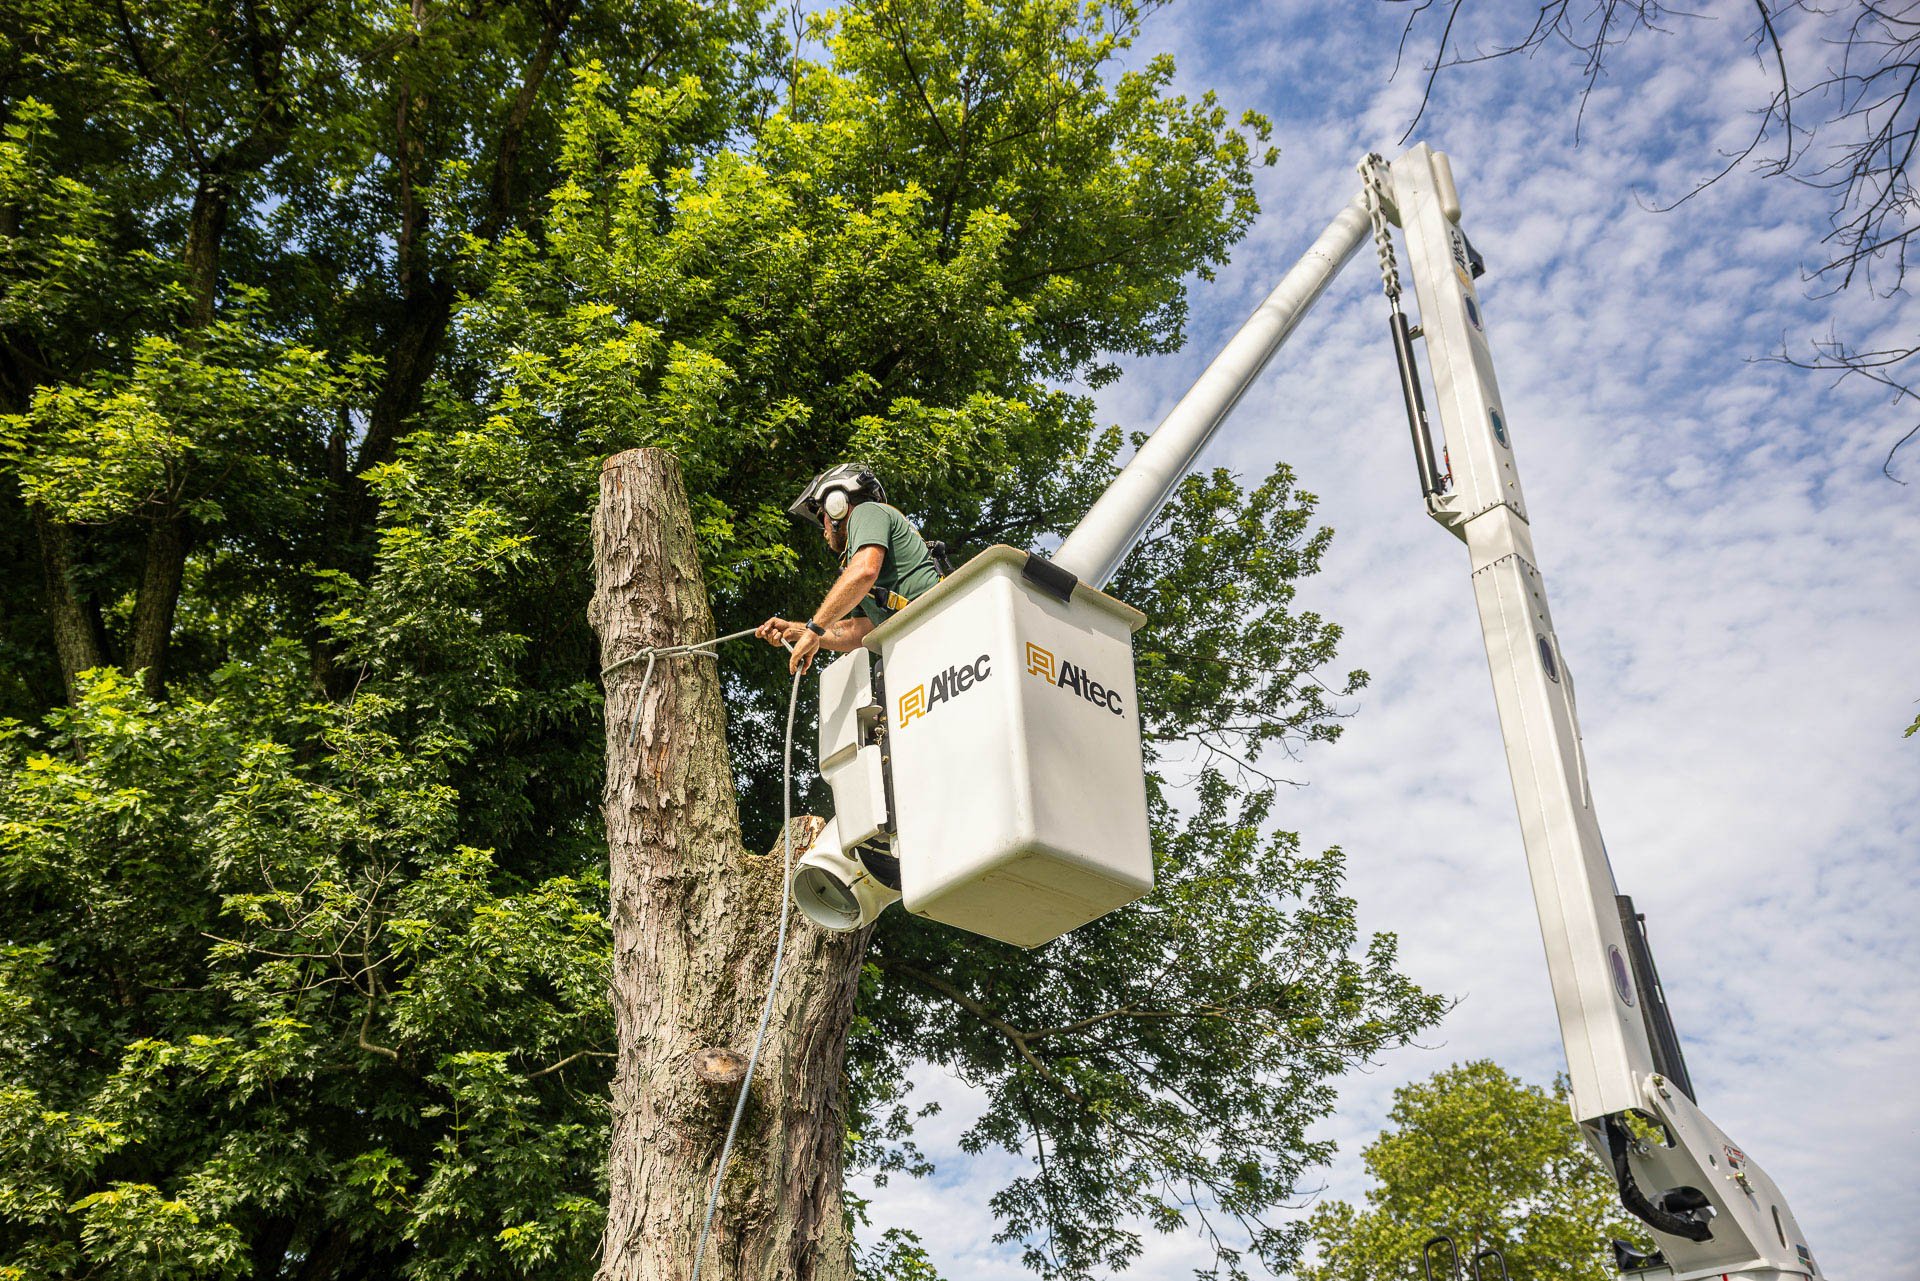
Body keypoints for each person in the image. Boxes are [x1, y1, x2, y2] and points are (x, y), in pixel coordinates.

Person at [757, 464, 942, 674]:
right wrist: (799, 630)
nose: (823, 530)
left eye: (821, 516)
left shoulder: (867, 511)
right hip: (921, 642)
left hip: (935, 627)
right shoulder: (858, 565)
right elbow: (859, 630)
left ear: (838, 504)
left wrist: (814, 630)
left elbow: (864, 571)